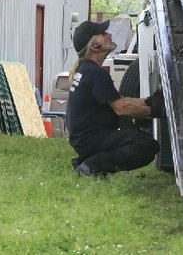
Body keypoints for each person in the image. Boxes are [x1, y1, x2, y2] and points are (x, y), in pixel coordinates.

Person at [66, 19, 166, 177]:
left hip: (85, 139)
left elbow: (118, 100)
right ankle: (93, 166)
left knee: (138, 139)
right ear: (94, 46)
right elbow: (122, 108)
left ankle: (85, 161)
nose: (109, 34)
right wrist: (155, 111)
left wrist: (148, 101)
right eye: (102, 33)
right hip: (92, 139)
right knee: (147, 146)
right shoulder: (94, 74)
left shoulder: (87, 70)